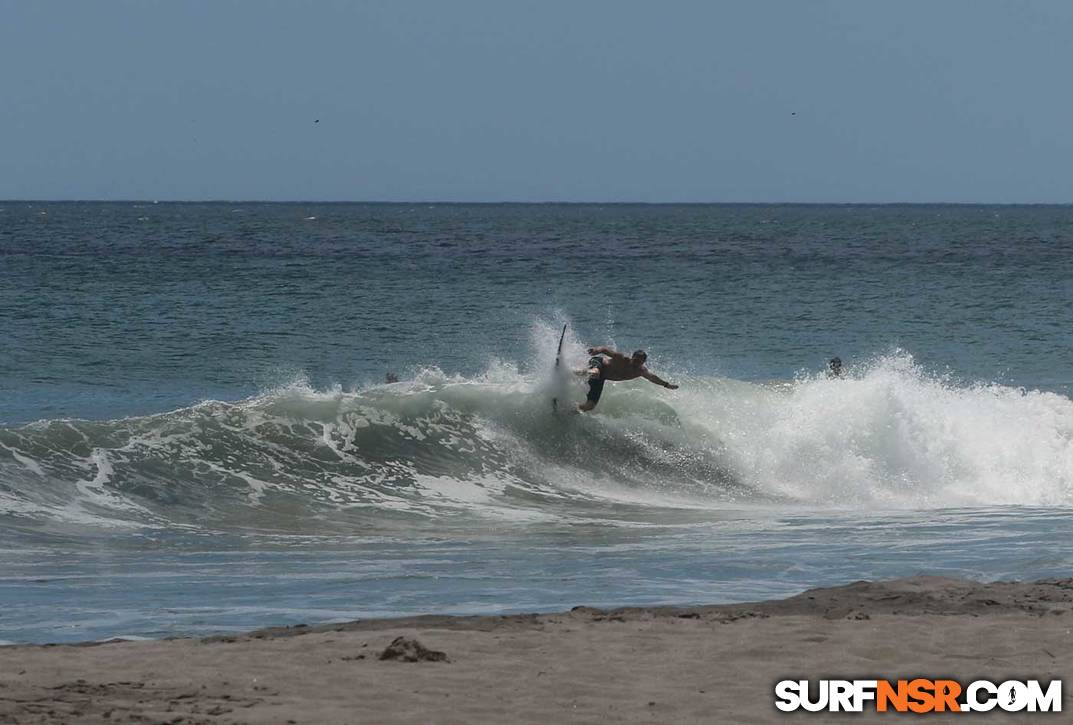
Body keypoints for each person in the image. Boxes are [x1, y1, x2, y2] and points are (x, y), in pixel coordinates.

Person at [577, 346, 678, 412]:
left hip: (601, 378)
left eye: (640, 362)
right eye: (635, 360)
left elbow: (653, 378)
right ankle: (571, 371)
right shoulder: (622, 359)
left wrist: (666, 385)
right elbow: (604, 350)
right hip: (598, 364)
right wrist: (596, 350)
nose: (636, 363)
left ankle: (571, 410)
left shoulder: (641, 371)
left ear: (643, 362)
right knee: (595, 372)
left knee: (590, 406)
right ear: (632, 357)